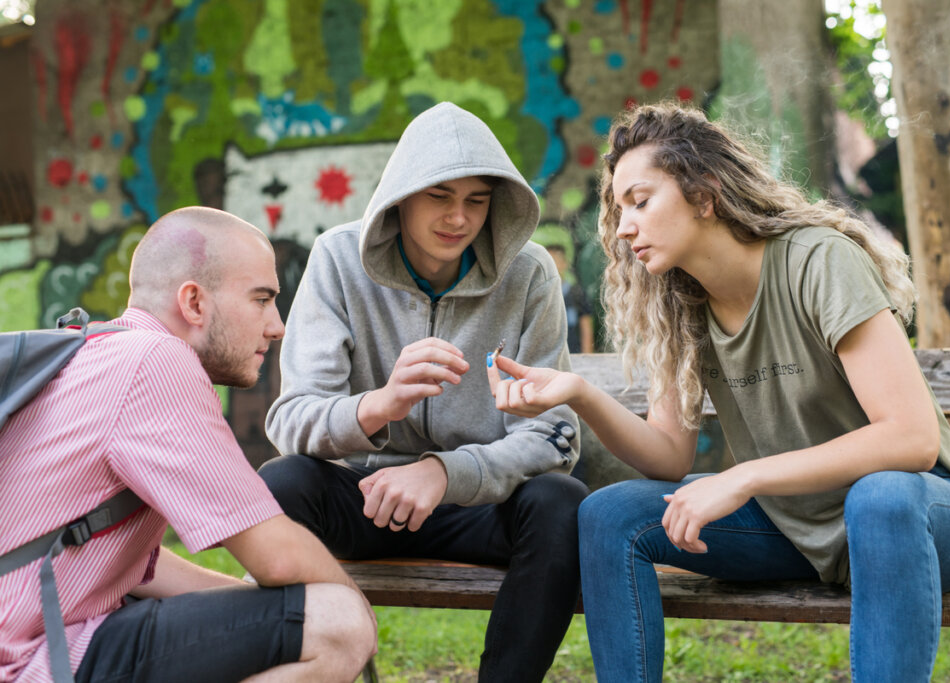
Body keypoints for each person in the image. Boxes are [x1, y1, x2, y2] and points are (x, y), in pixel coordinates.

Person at [487, 102, 950, 682]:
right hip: (796, 526)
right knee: (611, 514)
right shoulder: (681, 304)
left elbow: (911, 440)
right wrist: (580, 394)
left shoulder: (819, 260)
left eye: (640, 201)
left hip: (923, 516)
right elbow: (669, 455)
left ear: (704, 193)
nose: (625, 226)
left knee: (879, 497)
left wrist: (744, 476)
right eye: (618, 210)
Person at [259, 102, 589, 682]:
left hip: (478, 503)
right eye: (439, 196)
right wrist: (378, 405)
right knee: (282, 484)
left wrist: (444, 472)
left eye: (477, 200)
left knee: (560, 502)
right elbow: (291, 420)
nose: (458, 218)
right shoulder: (338, 259)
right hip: (370, 498)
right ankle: (318, 661)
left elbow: (553, 435)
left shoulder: (530, 273)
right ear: (401, 197)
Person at [0, 206, 377, 683]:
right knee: (336, 622)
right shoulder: (156, 362)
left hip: (43, 646)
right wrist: (356, 607)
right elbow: (276, 555)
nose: (277, 325)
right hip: (31, 663)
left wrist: (258, 607)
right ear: (195, 303)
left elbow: (140, 572)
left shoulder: (97, 350)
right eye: (262, 299)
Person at [545, 244, 594, 354]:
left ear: (564, 264)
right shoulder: (540, 296)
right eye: (548, 261)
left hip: (574, 356)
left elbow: (586, 329)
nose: (552, 266)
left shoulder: (577, 294)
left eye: (556, 261)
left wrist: (588, 357)